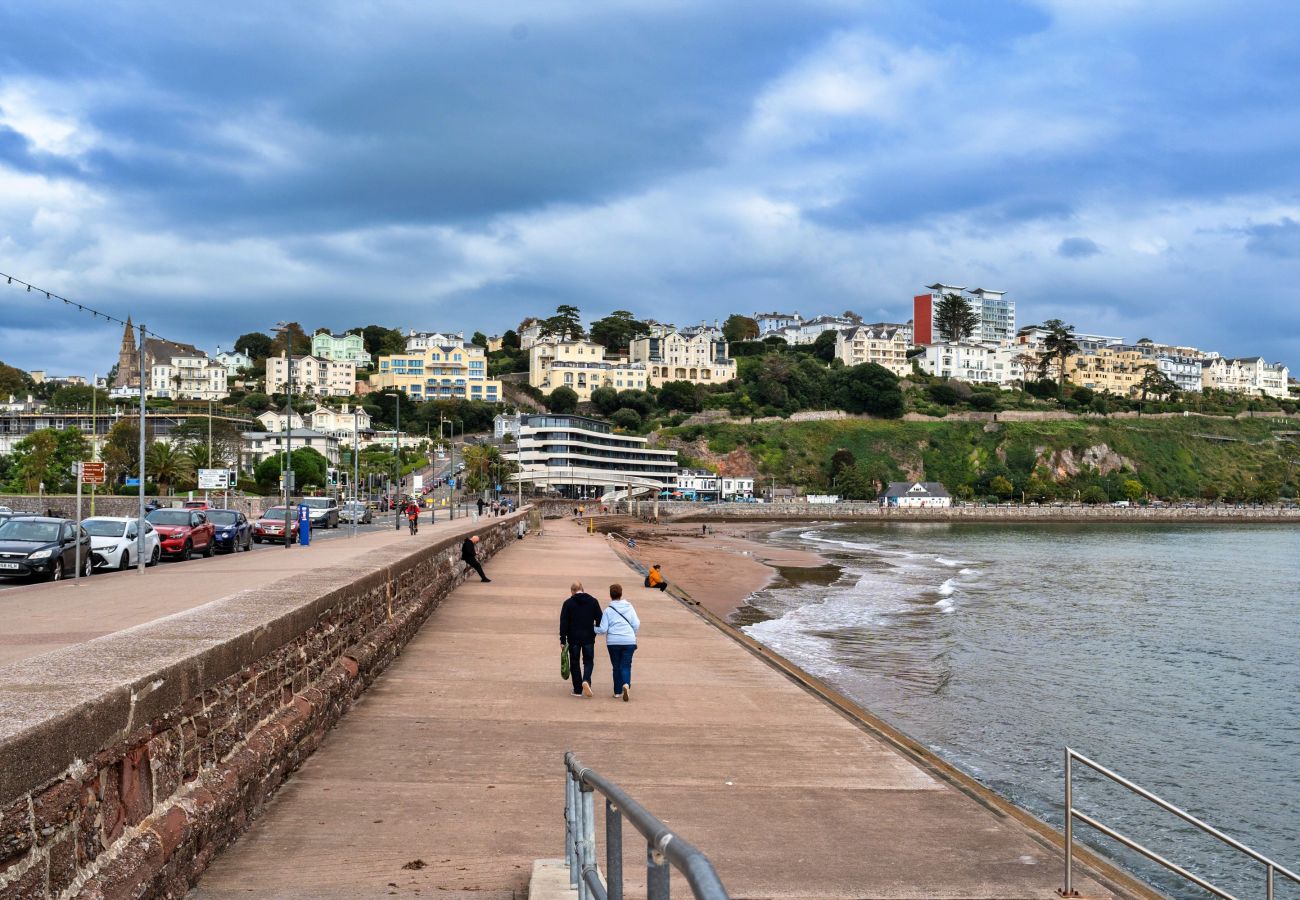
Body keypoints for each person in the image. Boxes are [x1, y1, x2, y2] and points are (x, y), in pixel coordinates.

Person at [596, 584, 639, 701]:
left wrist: (592, 628)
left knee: (616, 667)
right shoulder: (629, 607)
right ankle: (626, 684)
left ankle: (617, 692)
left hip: (613, 642)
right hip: (629, 640)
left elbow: (603, 629)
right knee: (626, 665)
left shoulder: (608, 610)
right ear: (621, 594)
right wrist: (632, 634)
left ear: (610, 595)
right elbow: (636, 624)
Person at [559, 582, 602, 698]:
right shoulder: (593, 601)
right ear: (583, 589)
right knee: (588, 661)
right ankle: (586, 680)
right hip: (588, 637)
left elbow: (563, 623)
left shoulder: (568, 603)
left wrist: (562, 640)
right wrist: (594, 631)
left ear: (572, 591)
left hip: (573, 638)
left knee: (574, 662)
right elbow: (600, 619)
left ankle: (577, 689)